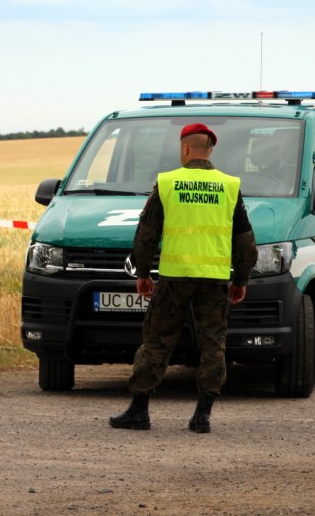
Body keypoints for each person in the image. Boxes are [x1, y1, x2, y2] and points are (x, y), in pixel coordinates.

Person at [109, 123, 257, 433]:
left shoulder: (168, 183)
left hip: (175, 279)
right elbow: (245, 240)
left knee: (157, 342)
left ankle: (140, 410)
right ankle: (202, 415)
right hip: (215, 280)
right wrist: (240, 280)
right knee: (213, 344)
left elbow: (146, 235)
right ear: (210, 150)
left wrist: (143, 273)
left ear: (184, 149)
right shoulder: (229, 186)